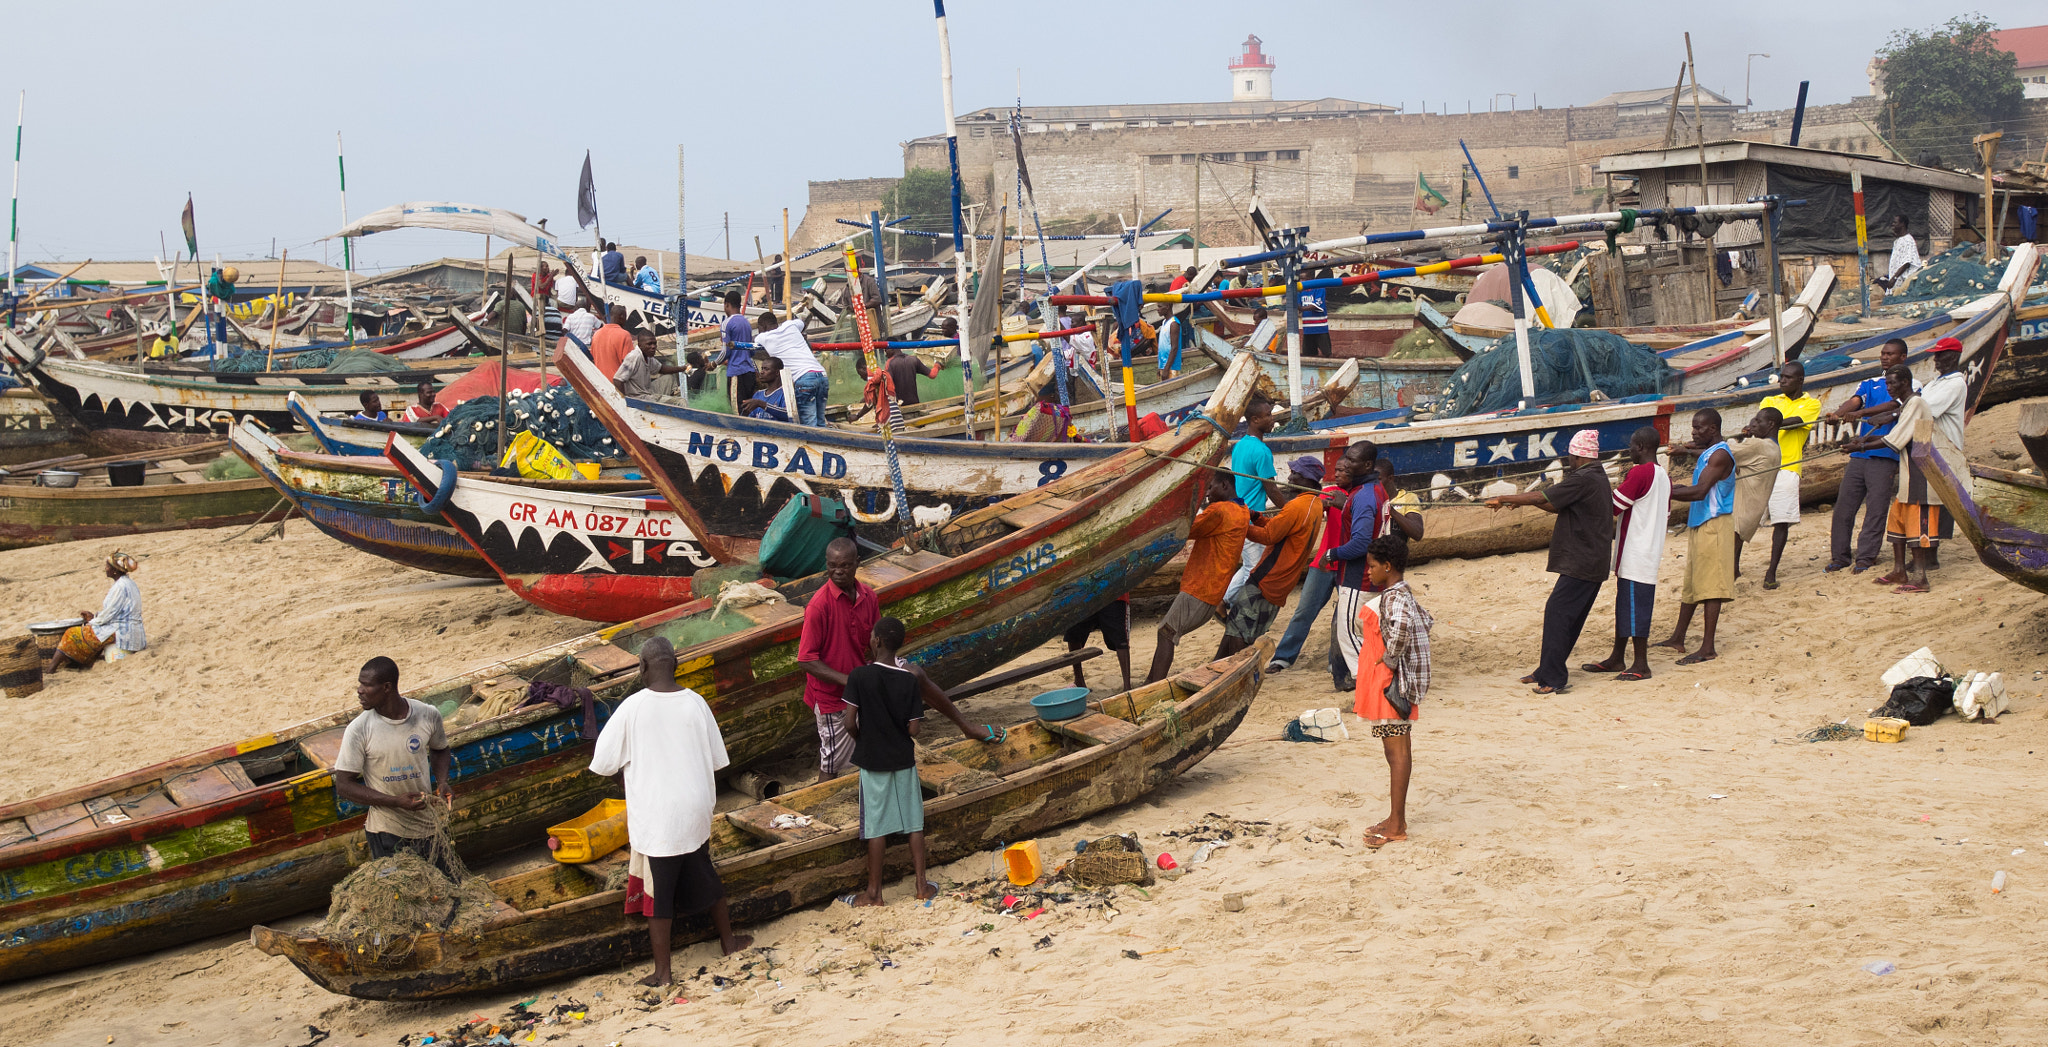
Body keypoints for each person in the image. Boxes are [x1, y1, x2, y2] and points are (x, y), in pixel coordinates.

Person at [588, 637, 751, 983]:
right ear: (675, 665)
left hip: (659, 815)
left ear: (643, 667)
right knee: (706, 872)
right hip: (695, 808)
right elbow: (718, 759)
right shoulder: (696, 703)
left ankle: (663, 972)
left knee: (659, 894)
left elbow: (602, 763)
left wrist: (626, 772)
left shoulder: (632, 708)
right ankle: (728, 941)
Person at [1486, 430, 1614, 694]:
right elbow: (1554, 504)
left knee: (1557, 612)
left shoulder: (1583, 478)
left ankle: (1554, 677)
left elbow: (1541, 496)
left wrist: (1505, 498)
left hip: (1584, 561)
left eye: (1570, 455)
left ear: (1577, 456)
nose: (1568, 460)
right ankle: (1547, 669)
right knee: (1567, 615)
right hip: (1591, 560)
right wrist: (1522, 503)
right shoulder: (1594, 476)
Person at [844, 617, 939, 907]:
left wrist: (866, 739)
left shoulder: (859, 676)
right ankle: (922, 885)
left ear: (878, 642)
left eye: (872, 636)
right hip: (903, 758)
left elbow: (849, 722)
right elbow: (913, 729)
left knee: (876, 826)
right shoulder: (908, 679)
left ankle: (874, 894)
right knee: (913, 823)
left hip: (874, 762)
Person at [331, 656, 454, 874]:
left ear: (387, 687)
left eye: (366, 685)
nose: (359, 690)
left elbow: (440, 749)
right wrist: (395, 801)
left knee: (444, 892)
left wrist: (442, 781)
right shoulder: (359, 729)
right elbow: (344, 785)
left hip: (429, 828)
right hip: (387, 833)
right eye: (360, 684)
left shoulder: (427, 714)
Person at [1353, 534, 1432, 850]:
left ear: (1388, 566)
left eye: (1372, 566)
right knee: (1393, 750)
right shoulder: (1401, 593)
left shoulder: (1394, 597)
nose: (1368, 571)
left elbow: (1401, 628)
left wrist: (1389, 658)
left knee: (1397, 752)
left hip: (1392, 685)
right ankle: (1394, 817)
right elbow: (1425, 622)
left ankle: (1397, 824)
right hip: (1391, 683)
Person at [1876, 343, 1967, 592]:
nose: (1937, 359)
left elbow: (1922, 410)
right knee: (1908, 509)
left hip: (1939, 451)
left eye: (1942, 355)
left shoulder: (1955, 383)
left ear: (1955, 356)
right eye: (1936, 355)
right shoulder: (1935, 382)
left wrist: (1889, 419)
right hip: (1919, 450)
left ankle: (1925, 567)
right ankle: (1910, 567)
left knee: (1927, 510)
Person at [1583, 427, 1669, 682]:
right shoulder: (1664, 475)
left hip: (1636, 551)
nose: (1629, 450)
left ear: (1641, 447)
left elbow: (1614, 506)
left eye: (1631, 446)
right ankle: (1617, 656)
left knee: (1635, 609)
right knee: (1627, 605)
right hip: (1649, 549)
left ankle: (1641, 663)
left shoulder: (1640, 472)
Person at [1147, 472, 1248, 683]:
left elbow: (1185, 529)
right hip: (1213, 591)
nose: (1208, 493)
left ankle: (1152, 684)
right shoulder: (1243, 509)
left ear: (1225, 485)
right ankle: (1151, 681)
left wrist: (1187, 503)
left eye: (1210, 488)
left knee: (1167, 633)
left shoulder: (1219, 511)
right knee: (1168, 632)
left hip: (1199, 588)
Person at [1219, 456, 1325, 658]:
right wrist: (1256, 517)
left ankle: (1235, 670)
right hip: (1281, 583)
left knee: (1239, 628)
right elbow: (1279, 529)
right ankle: (1220, 665)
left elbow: (1269, 536)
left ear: (1308, 480)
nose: (1290, 478)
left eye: (1296, 474)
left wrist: (1240, 524)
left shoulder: (1295, 507)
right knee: (1239, 626)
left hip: (1267, 578)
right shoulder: (1314, 504)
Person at [1658, 410, 1737, 664]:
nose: (1693, 433)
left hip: (1714, 523)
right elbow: (1694, 488)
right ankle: (1678, 637)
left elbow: (1701, 491)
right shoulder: (1707, 454)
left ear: (1713, 429)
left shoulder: (1721, 455)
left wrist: (1666, 491)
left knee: (1711, 586)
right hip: (1700, 523)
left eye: (1698, 428)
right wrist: (1673, 488)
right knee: (1692, 583)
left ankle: (1707, 647)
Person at [1827, 339, 1912, 573]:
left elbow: (1896, 407)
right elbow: (1855, 400)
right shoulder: (1870, 382)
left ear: (1903, 357)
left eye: (1890, 354)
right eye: (1883, 353)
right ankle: (1840, 556)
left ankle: (1866, 557)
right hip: (1859, 455)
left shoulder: (1909, 385)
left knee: (1875, 510)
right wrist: (1838, 413)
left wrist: (1860, 413)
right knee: (1844, 507)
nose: (1884, 357)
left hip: (1884, 454)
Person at [796, 539, 878, 784]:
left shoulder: (869, 596)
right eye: (832, 566)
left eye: (844, 565)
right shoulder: (819, 606)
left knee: (868, 750)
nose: (838, 571)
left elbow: (875, 641)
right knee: (831, 760)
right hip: (832, 698)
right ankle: (822, 809)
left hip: (860, 692)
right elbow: (806, 660)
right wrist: (851, 680)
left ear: (857, 564)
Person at [1267, 454, 1355, 673]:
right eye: (1337, 471)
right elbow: (1310, 507)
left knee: (1344, 618)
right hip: (1323, 562)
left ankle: (1337, 661)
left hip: (1350, 562)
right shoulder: (1328, 493)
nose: (1338, 474)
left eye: (1344, 471)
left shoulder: (1360, 496)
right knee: (1303, 612)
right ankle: (1283, 658)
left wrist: (1345, 507)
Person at [1326, 441, 1386, 690]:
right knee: (1365, 635)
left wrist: (1332, 554)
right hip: (1371, 575)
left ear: (1367, 464)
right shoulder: (1376, 489)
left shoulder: (1363, 496)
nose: (1347, 463)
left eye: (1352, 460)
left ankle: (1374, 686)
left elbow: (1361, 543)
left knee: (1349, 635)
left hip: (1357, 576)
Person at [1757, 361, 1821, 589]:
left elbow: (1796, 423)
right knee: (1744, 519)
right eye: (1780, 377)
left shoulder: (1812, 404)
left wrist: (1771, 423)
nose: (1781, 381)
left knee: (1781, 522)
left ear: (1800, 380)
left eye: (1787, 378)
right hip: (1762, 465)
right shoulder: (1770, 400)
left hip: (1788, 467)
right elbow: (1760, 422)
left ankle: (1771, 572)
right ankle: (1734, 566)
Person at [1222, 400, 1281, 603]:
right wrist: (1292, 509)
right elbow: (1271, 489)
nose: (1272, 419)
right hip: (1252, 518)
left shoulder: (1240, 446)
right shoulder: (1261, 451)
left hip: (1241, 514)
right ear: (1255, 419)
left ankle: (1224, 601)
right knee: (1256, 571)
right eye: (1268, 415)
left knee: (1249, 566)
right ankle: (1239, 607)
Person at [51, 552, 146, 670]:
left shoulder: (120, 587)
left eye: (107, 566)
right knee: (90, 632)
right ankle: (79, 662)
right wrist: (95, 616)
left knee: (71, 634)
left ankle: (51, 669)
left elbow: (109, 614)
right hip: (131, 629)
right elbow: (115, 611)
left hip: (122, 630)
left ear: (115, 570)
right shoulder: (128, 583)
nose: (105, 569)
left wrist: (92, 621)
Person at [1727, 408, 1782, 577]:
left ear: (1770, 424)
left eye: (1758, 421)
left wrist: (1688, 450)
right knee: (1734, 550)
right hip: (1753, 511)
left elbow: (1724, 453)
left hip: (1741, 509)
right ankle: (1734, 572)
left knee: (1726, 553)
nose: (1753, 424)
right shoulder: (1775, 447)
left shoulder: (1758, 444)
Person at [755, 311, 830, 427]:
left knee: (808, 426)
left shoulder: (763, 337)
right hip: (821, 374)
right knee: (820, 423)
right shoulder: (790, 325)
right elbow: (802, 323)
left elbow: (755, 345)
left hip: (804, 379)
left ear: (762, 327)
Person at [1064, 594, 1133, 695]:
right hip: (1081, 593)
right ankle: (1079, 681)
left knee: (1120, 638)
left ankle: (1127, 687)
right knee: (1074, 633)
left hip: (1114, 593)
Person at [613, 328, 688, 398]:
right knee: (680, 402)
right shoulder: (634, 357)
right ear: (640, 345)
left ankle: (665, 403)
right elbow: (617, 380)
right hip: (639, 397)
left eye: (654, 343)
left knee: (669, 378)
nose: (653, 347)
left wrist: (681, 368)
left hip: (647, 391)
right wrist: (627, 401)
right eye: (649, 344)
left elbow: (661, 369)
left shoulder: (648, 356)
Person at [716, 290, 759, 408]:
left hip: (736, 372)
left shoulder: (727, 323)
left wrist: (714, 363)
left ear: (726, 304)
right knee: (748, 407)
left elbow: (725, 351)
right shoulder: (746, 323)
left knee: (737, 409)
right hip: (749, 372)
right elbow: (752, 350)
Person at [884, 341, 950, 408]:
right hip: (915, 404)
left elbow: (888, 387)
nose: (885, 354)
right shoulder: (913, 359)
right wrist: (937, 365)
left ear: (892, 348)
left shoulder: (889, 363)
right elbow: (932, 375)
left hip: (899, 406)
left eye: (886, 350)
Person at [587, 304, 635, 378]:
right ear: (622, 316)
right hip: (616, 383)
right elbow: (629, 363)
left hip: (599, 380)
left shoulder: (597, 334)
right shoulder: (625, 335)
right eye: (625, 317)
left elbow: (593, 357)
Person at [1876, 215, 1921, 291]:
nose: (1892, 224)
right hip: (1897, 281)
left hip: (1904, 281)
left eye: (1895, 222)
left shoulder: (1908, 240)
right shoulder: (1898, 241)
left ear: (1902, 224)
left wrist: (1894, 278)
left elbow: (1907, 263)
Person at [738, 356, 791, 421]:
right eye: (762, 369)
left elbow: (789, 415)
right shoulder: (758, 394)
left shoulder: (785, 393)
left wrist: (762, 404)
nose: (762, 372)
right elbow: (752, 419)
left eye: (766, 369)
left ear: (777, 372)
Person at [205, 265, 238, 343]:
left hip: (220, 308)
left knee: (221, 325)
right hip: (218, 306)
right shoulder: (229, 288)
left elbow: (210, 286)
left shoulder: (216, 282)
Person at [1298, 285, 1330, 356]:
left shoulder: (1319, 288)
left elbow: (1316, 305)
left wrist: (1301, 308)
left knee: (1326, 353)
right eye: (1301, 279)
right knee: (1308, 354)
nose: (1303, 281)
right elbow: (1297, 304)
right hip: (1307, 329)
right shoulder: (1300, 291)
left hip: (1320, 328)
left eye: (1305, 278)